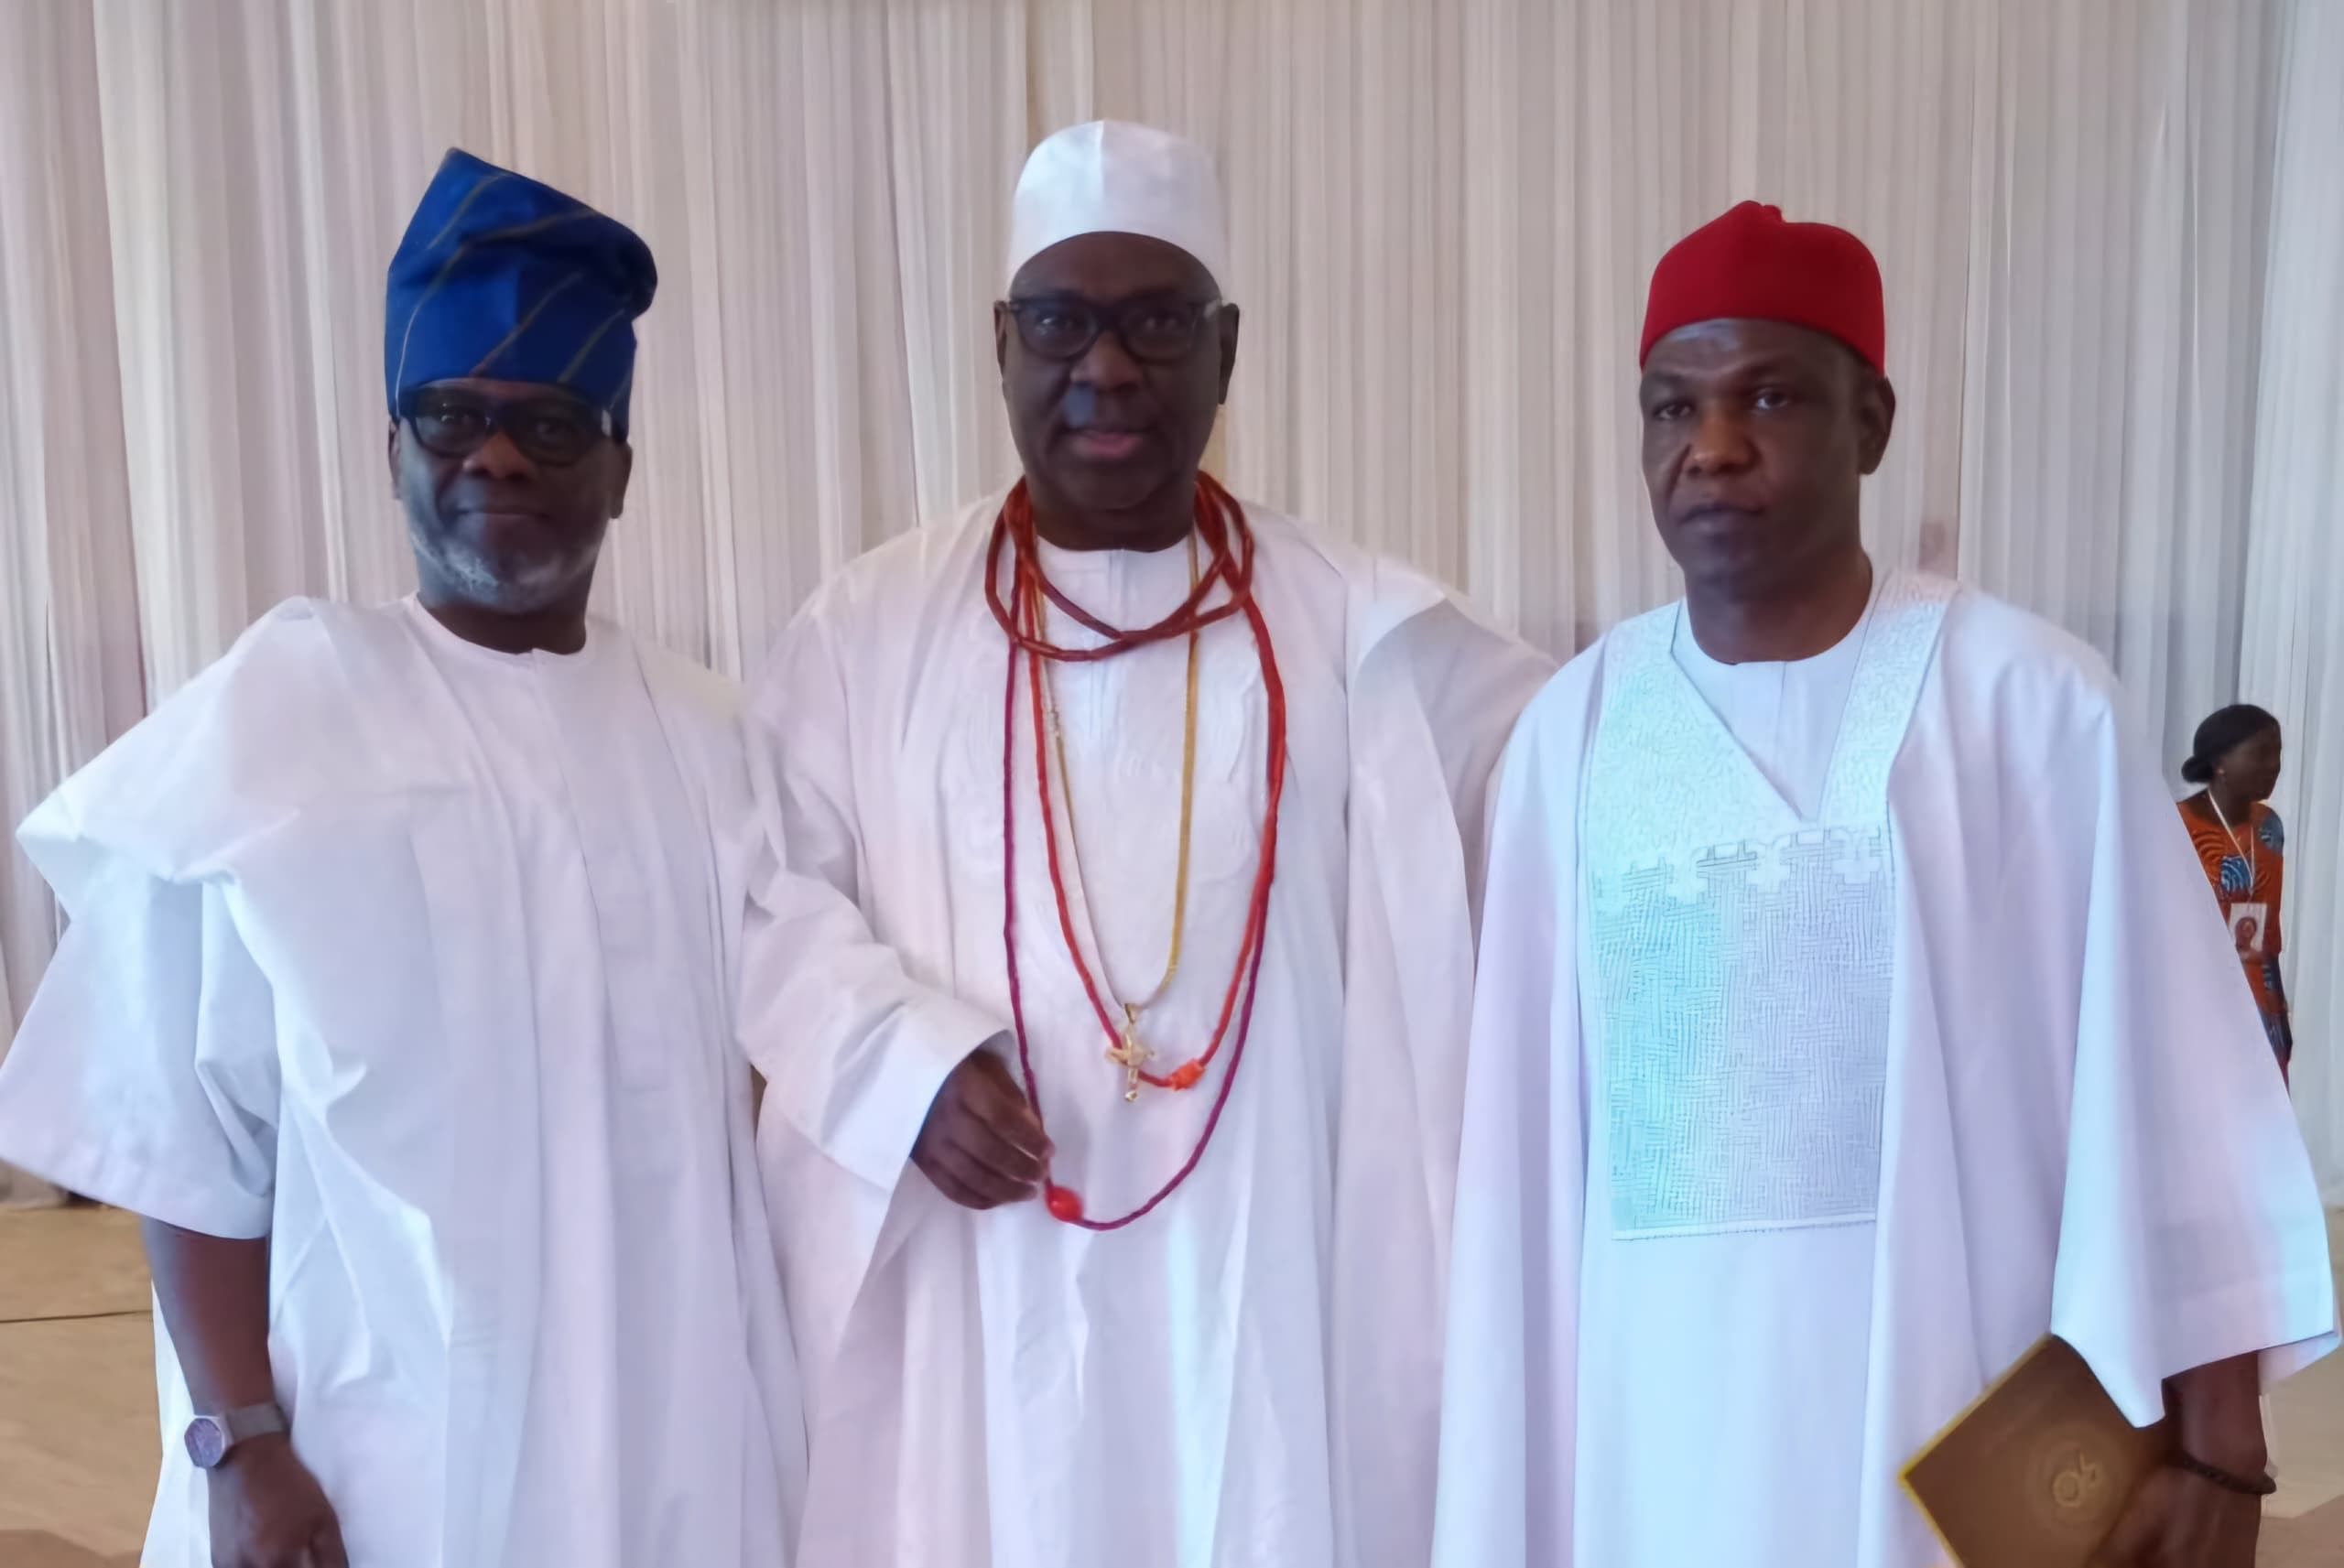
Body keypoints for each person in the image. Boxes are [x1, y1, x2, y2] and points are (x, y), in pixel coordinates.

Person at [1432, 201, 2336, 1568]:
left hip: (1959, 1407)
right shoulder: (1573, 736)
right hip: (1651, 1441)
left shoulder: (2030, 706)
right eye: (1672, 407)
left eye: (1768, 397)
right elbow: (1521, 1169)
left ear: (1871, 422)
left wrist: (2222, 1447)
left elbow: (2173, 1096)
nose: (1711, 446)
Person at [738, 121, 1552, 1568]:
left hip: (1267, 1285)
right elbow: (764, 895)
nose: (1105, 366)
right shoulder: (866, 632)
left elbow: (1581, 775)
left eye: (1157, 322)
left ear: (1225, 351)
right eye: (1061, 322)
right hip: (982, 1287)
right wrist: (896, 1071)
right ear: (1002, 345)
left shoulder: (1365, 630)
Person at [0, 149, 803, 1567]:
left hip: (677, 1426)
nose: (497, 457)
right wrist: (240, 1444)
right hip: (381, 1447)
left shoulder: (715, 738)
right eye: (453, 416)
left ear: (621, 469)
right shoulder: (281, 722)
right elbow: (188, 1144)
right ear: (394, 454)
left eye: (550, 424)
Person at [2181, 705, 2294, 1080]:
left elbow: (2267, 936)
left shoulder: (2269, 827)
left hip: (2260, 1001)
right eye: (2261, 753)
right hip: (2195, 997)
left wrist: (2279, 1017)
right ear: (2220, 763)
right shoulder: (2176, 827)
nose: (2274, 766)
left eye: (2277, 753)